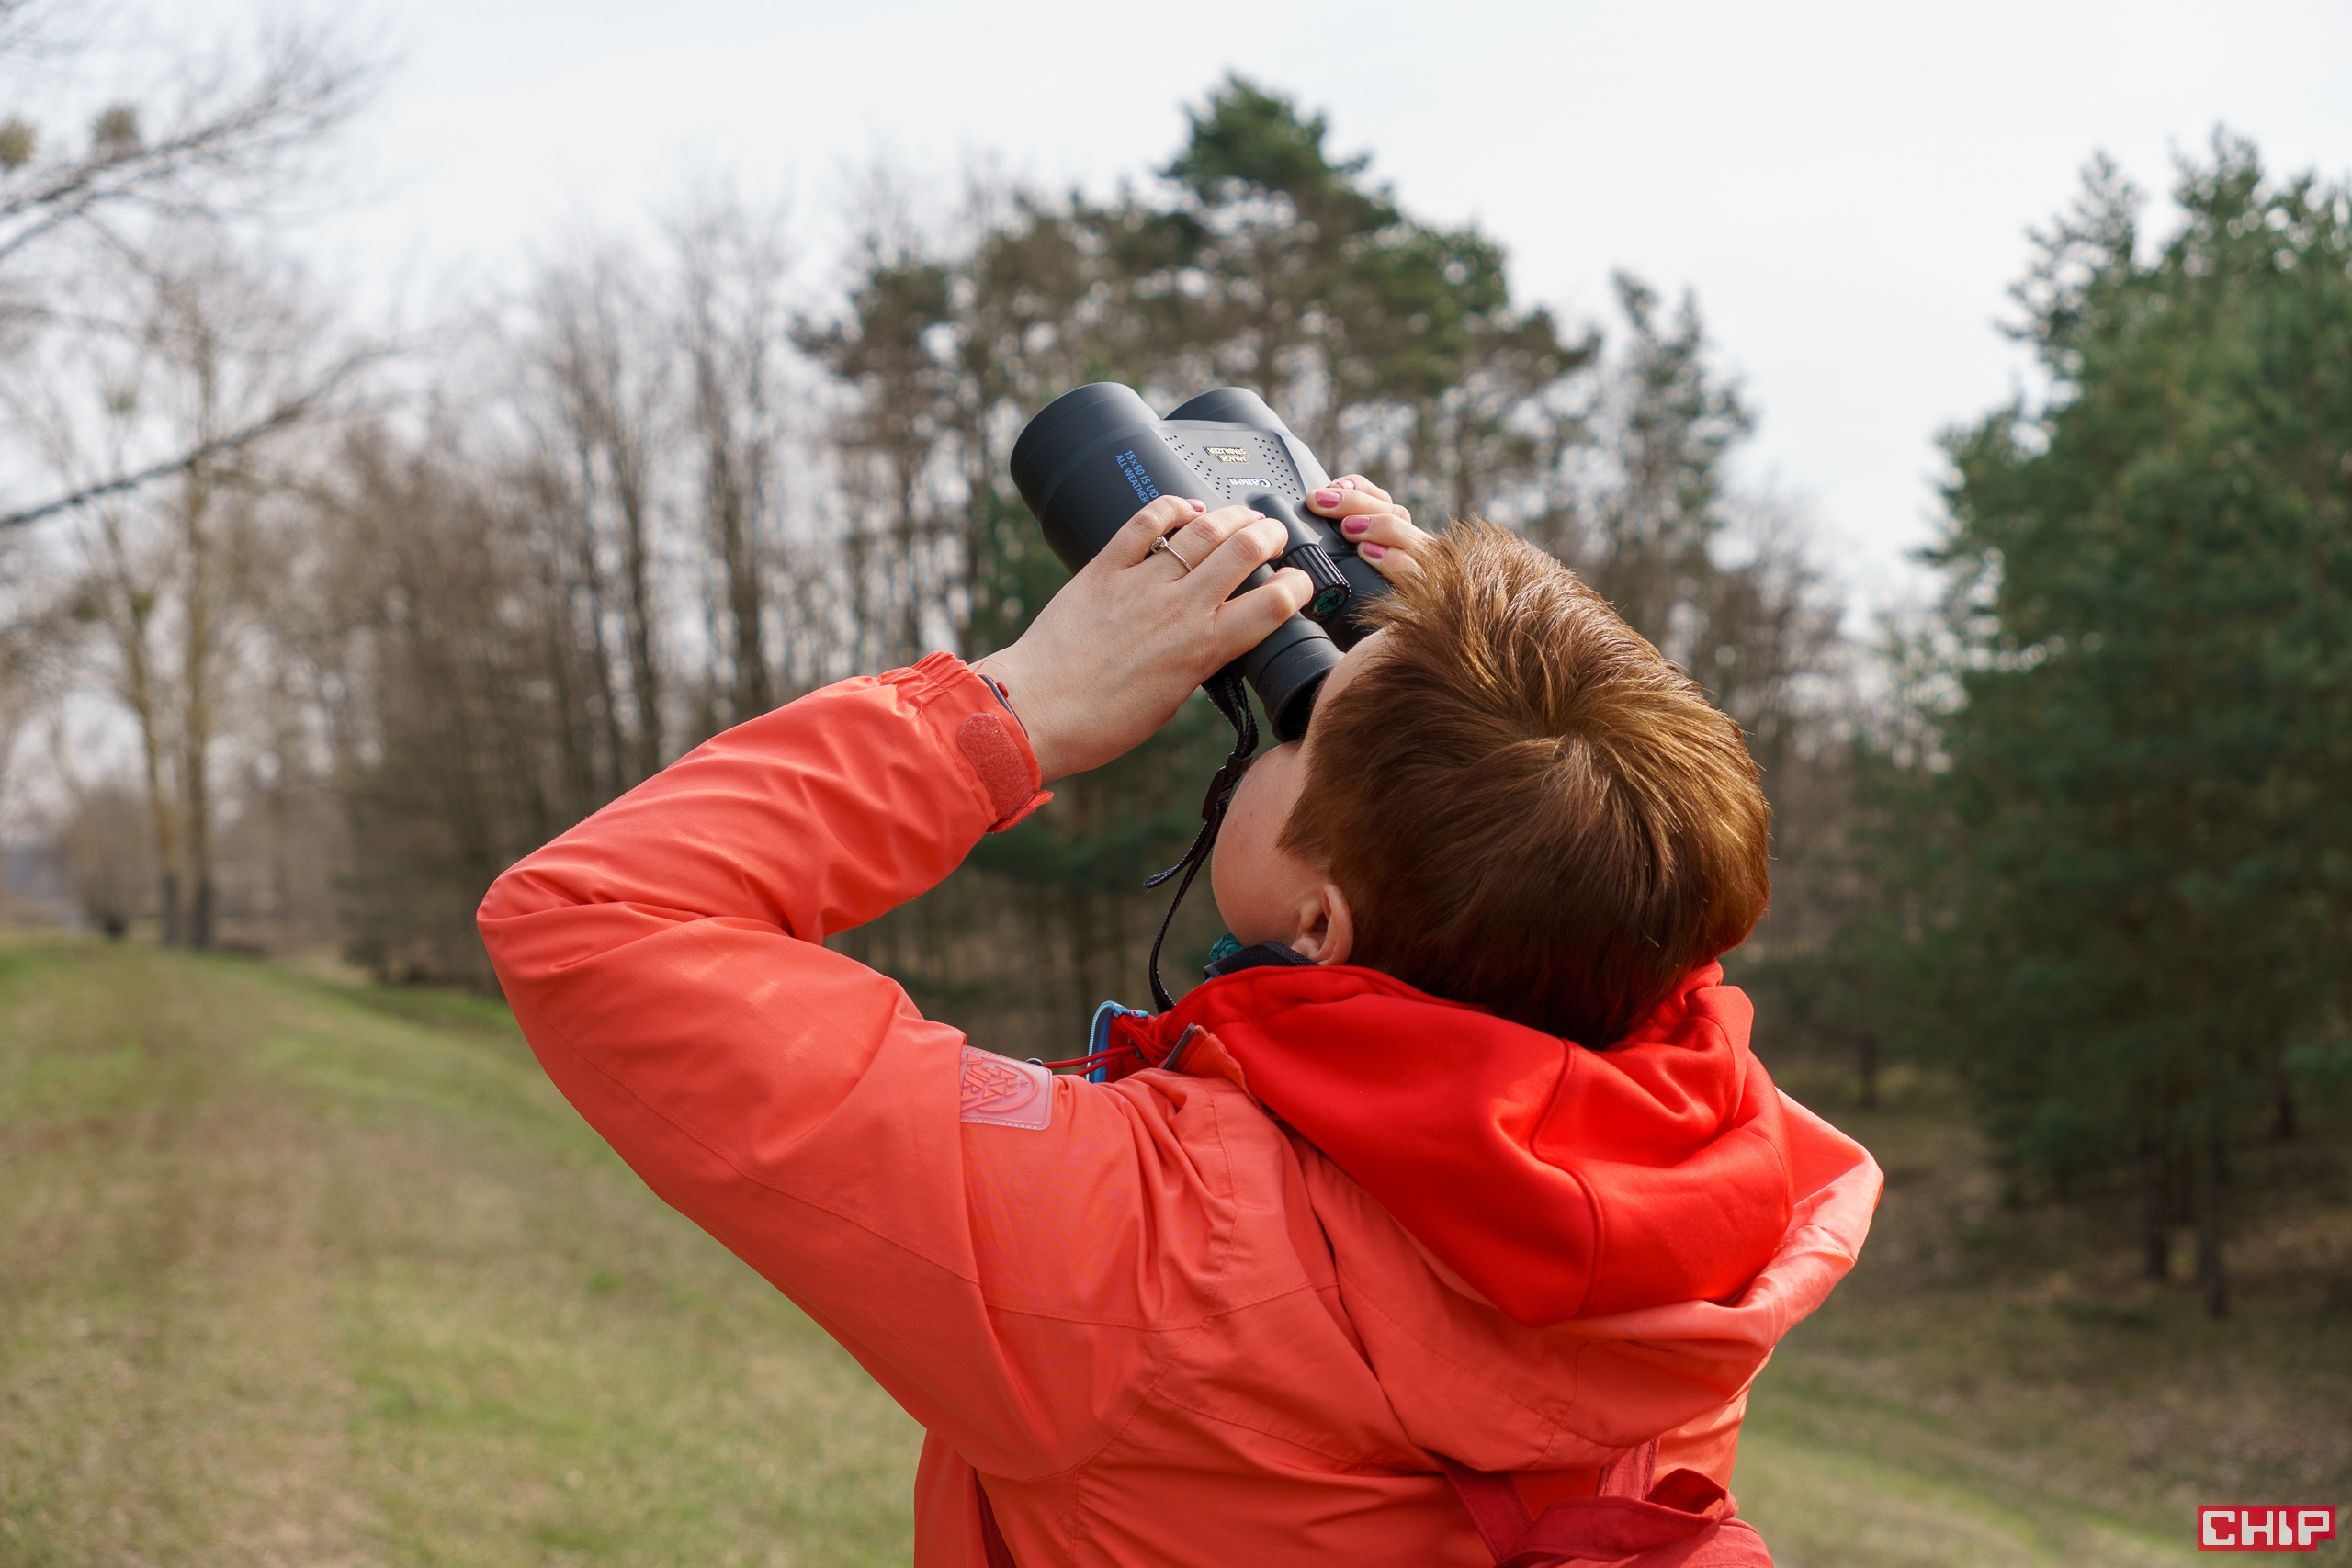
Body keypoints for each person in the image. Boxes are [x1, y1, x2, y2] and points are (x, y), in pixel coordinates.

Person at [478, 479, 1880, 1567]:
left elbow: (598, 917)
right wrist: (1483, 694)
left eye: (1293, 735)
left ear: (1320, 925)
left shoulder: (1132, 1250)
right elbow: (1651, 914)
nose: (1274, 722)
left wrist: (1017, 707)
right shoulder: (1711, 1225)